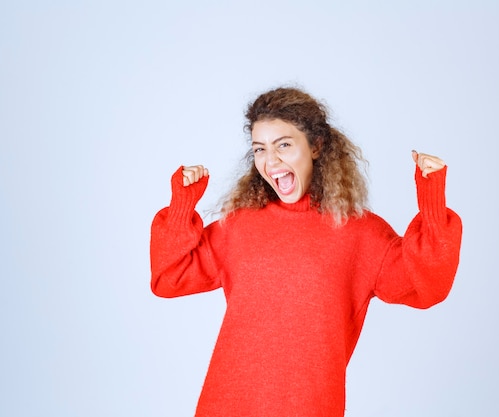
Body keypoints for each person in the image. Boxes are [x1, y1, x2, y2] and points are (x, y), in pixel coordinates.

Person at [150, 87, 463, 417]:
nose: (271, 162)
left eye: (284, 144)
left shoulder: (361, 233)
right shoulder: (239, 227)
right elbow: (169, 278)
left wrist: (431, 200)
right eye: (260, 149)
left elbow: (427, 284)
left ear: (316, 146)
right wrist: (183, 205)